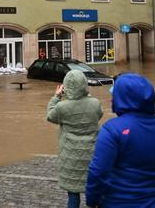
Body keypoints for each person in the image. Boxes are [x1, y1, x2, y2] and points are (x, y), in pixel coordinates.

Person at [85, 73, 155, 207]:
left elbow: (98, 172)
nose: (111, 100)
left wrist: (92, 200)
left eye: (115, 95)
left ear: (122, 98)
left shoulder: (111, 130)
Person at [47, 70, 104, 208]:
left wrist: (56, 96)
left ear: (66, 87)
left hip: (70, 156)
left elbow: (50, 115)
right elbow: (99, 114)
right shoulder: (95, 103)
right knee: (95, 192)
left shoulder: (62, 107)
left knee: (73, 195)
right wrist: (86, 94)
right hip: (92, 153)